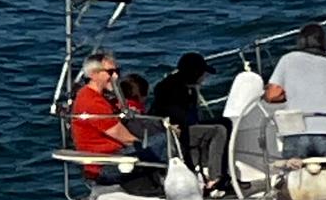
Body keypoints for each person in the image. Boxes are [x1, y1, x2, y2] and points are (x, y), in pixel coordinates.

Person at [264, 23, 326, 157]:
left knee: (294, 174)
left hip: (295, 134)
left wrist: (292, 93)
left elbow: (272, 95)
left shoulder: (287, 60)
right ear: (324, 43)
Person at [71, 55, 164, 186]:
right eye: (110, 72)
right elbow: (125, 138)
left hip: (111, 157)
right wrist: (147, 147)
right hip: (106, 165)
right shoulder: (92, 102)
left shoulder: (95, 97)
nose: (115, 77)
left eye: (117, 72)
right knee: (165, 140)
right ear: (93, 74)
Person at [152, 52, 230, 191]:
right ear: (195, 73)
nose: (204, 77)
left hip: (187, 126)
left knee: (225, 122)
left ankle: (222, 171)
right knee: (219, 130)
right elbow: (171, 113)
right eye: (202, 73)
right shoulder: (171, 87)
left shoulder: (186, 87)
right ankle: (215, 178)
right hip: (174, 132)